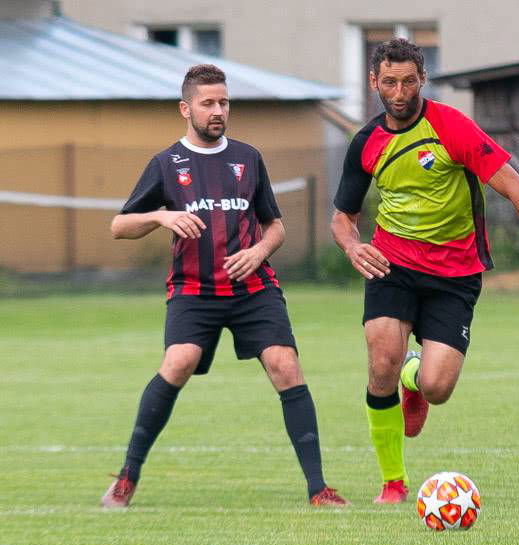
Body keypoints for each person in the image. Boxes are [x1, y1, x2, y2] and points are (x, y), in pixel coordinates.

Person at [331, 39, 519, 503]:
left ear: (423, 79)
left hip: (455, 274)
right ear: (374, 83)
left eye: (409, 81)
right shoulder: (366, 142)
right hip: (392, 264)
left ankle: (416, 379)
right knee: (379, 363)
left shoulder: (452, 128)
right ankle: (393, 482)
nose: (400, 91)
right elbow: (343, 216)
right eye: (389, 82)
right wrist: (352, 246)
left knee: (437, 386)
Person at [101, 64, 347, 508]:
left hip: (254, 288)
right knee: (179, 362)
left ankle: (319, 489)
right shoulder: (166, 163)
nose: (218, 111)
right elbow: (119, 226)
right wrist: (161, 216)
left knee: (285, 366)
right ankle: (126, 478)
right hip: (194, 289)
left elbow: (276, 227)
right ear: (186, 108)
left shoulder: (248, 159)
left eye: (223, 102)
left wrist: (259, 251)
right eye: (208, 103)